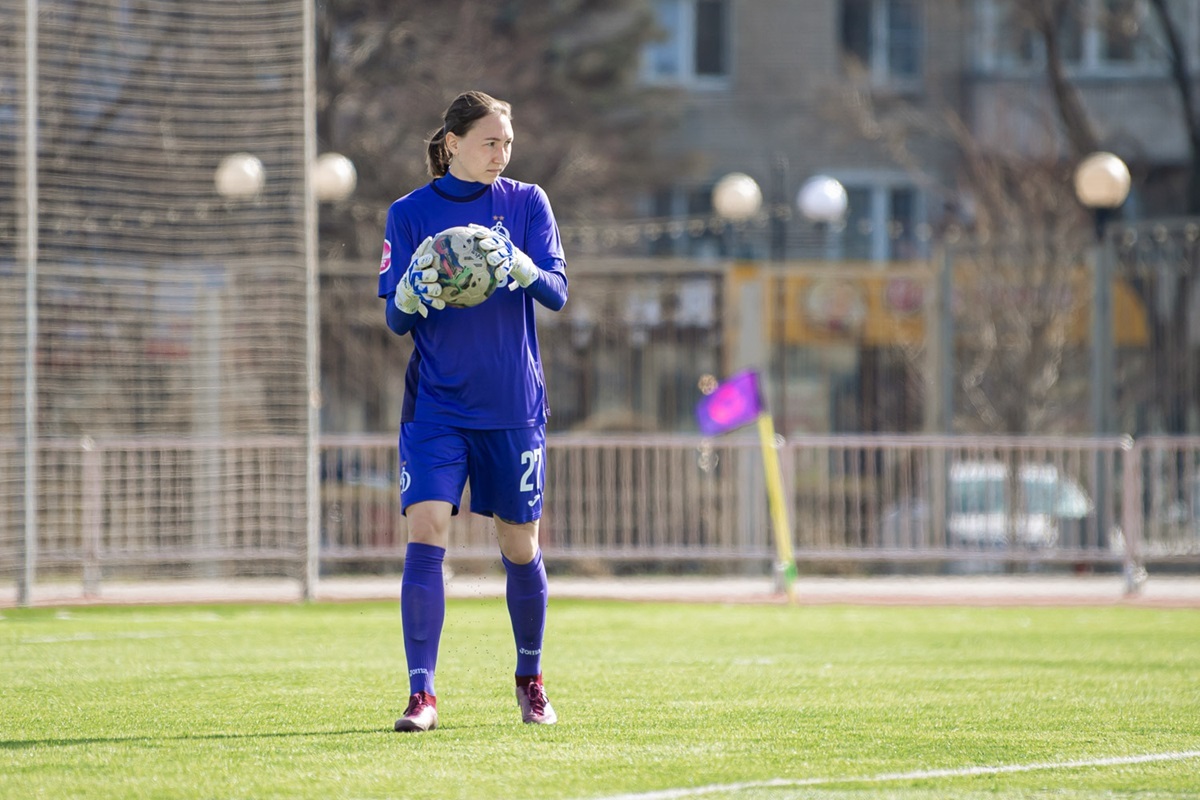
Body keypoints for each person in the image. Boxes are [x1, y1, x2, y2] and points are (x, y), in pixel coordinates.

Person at [377, 90, 568, 732]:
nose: (501, 154)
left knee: (519, 545)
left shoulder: (527, 202)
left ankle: (530, 678)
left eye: (507, 143)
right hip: (435, 405)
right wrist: (408, 288)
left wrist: (520, 266)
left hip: (513, 403)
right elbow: (395, 319)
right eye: (490, 142)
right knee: (427, 527)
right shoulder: (408, 214)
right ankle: (421, 694)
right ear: (452, 143)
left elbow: (559, 293)